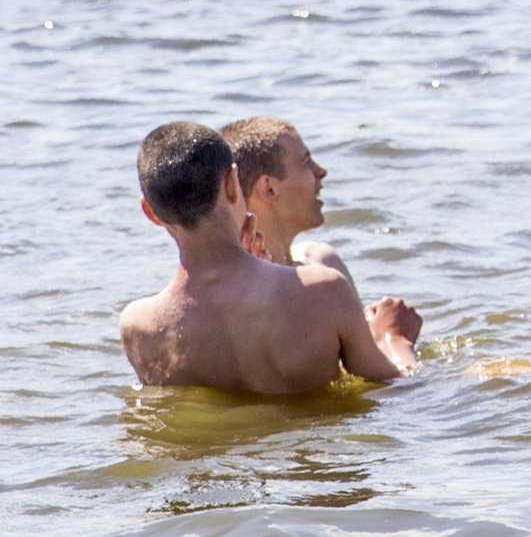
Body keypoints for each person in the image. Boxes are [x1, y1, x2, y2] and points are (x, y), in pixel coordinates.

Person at [119, 121, 422, 393]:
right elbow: (396, 389)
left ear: (151, 212)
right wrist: (394, 339)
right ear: (231, 184)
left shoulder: (140, 328)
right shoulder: (323, 290)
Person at [221, 116, 352, 285]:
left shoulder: (324, 261)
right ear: (269, 188)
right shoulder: (238, 289)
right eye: (306, 162)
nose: (321, 171)